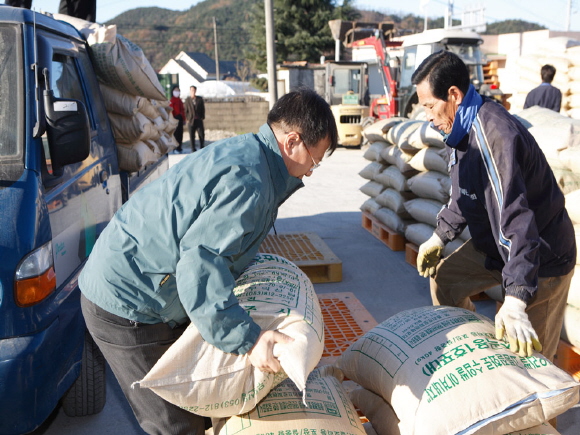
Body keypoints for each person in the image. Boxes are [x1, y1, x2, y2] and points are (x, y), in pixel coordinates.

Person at [78, 88, 338, 435]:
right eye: (314, 161)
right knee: (176, 423)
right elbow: (199, 267)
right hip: (128, 301)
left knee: (200, 403)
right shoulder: (251, 182)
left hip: (153, 282)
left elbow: (222, 243)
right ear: (292, 142)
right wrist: (250, 340)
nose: (309, 173)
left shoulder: (253, 156)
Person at [414, 50, 575, 364]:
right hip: (497, 246)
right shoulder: (459, 131)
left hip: (540, 255)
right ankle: (477, 358)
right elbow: (464, 193)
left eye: (430, 106)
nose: (429, 117)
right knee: (446, 282)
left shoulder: (494, 135)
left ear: (453, 95)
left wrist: (515, 299)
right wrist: (439, 237)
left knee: (533, 361)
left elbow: (518, 221)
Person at [185, 85, 205, 151]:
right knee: (192, 135)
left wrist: (202, 117)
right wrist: (187, 118)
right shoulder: (187, 100)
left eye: (194, 90)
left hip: (198, 119)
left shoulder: (199, 99)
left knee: (201, 134)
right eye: (191, 90)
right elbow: (186, 110)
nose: (192, 92)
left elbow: (203, 109)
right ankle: (193, 149)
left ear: (195, 91)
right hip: (191, 120)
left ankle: (202, 147)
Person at [169, 85, 185, 153]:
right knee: (175, 134)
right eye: (175, 90)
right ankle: (175, 148)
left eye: (178, 90)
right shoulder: (172, 100)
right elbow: (170, 110)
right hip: (174, 118)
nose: (177, 92)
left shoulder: (180, 100)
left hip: (180, 118)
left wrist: (184, 119)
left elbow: (183, 110)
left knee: (180, 134)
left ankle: (179, 147)